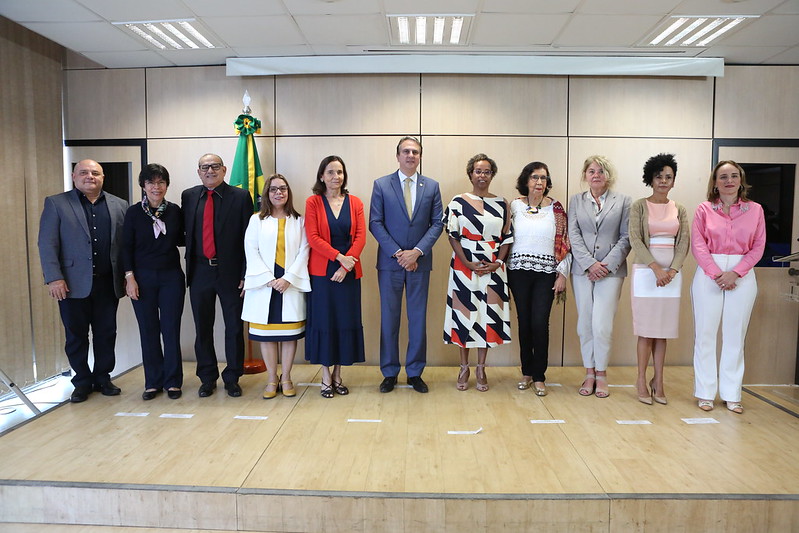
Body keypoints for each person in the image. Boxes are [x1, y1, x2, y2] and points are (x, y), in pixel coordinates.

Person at [37, 159, 129, 403]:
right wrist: (54, 278)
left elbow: (125, 245)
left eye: (95, 173)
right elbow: (47, 243)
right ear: (73, 176)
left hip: (108, 283)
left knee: (106, 333)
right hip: (71, 284)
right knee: (76, 336)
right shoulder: (56, 203)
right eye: (84, 172)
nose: (90, 176)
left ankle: (103, 377)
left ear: (103, 177)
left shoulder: (120, 205)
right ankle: (81, 381)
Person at [369, 136, 444, 393]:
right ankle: (389, 373)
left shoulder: (431, 186)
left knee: (417, 320)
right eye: (406, 151)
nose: (410, 155)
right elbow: (375, 223)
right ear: (398, 155)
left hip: (419, 264)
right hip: (391, 264)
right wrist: (400, 254)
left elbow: (437, 223)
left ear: (420, 156)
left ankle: (414, 373)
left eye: (415, 151)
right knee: (389, 320)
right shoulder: (381, 185)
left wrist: (417, 253)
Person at [691, 160, 765, 414]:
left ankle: (732, 394)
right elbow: (698, 245)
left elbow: (758, 246)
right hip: (709, 273)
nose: (729, 181)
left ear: (741, 181)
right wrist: (716, 273)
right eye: (723, 177)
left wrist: (736, 273)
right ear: (715, 182)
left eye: (734, 176)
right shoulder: (704, 209)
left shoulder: (755, 210)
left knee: (735, 335)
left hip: (741, 273)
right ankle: (705, 393)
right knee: (705, 334)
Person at [182, 154, 252, 398]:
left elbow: (248, 238)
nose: (209, 171)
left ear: (224, 170)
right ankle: (207, 377)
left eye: (214, 166)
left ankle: (232, 377)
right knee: (203, 327)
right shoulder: (189, 196)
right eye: (204, 167)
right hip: (199, 270)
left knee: (234, 327)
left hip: (231, 272)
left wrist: (246, 273)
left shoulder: (241, 197)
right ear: (198, 172)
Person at [443, 154, 512, 392]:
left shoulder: (503, 204)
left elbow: (507, 238)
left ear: (492, 175)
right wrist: (467, 263)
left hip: (493, 268)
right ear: (470, 174)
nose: (482, 175)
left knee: (487, 316)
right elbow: (452, 235)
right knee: (464, 315)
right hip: (464, 266)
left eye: (487, 171)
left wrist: (498, 262)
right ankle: (464, 366)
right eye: (478, 171)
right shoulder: (457, 202)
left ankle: (482, 367)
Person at [628, 154, 690, 405]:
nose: (663, 181)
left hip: (671, 276)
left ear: (673, 181)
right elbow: (635, 238)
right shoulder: (639, 206)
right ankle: (641, 380)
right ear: (650, 179)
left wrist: (672, 270)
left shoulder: (681, 209)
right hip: (646, 273)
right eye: (659, 176)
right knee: (646, 331)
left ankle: (659, 380)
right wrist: (655, 268)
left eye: (668, 177)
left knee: (662, 332)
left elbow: (683, 241)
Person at [568, 155, 631, 398]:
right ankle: (589, 373)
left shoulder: (624, 201)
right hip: (582, 270)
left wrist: (605, 265)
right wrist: (589, 264)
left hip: (611, 271)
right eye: (591, 171)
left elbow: (626, 237)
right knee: (585, 324)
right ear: (585, 175)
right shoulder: (576, 201)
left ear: (609, 175)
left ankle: (602, 373)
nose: (596, 175)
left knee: (602, 324)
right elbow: (573, 235)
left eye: (601, 171)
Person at [242, 175, 310, 400]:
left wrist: (288, 278)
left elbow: (305, 250)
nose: (278, 193)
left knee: (289, 335)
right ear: (266, 194)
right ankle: (272, 379)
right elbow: (251, 250)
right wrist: (269, 279)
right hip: (265, 285)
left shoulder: (299, 220)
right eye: (273, 189)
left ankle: (287, 377)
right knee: (268, 336)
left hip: (289, 283)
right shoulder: (256, 220)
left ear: (288, 192)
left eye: (282, 189)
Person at [121, 164, 186, 400]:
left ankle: (173, 381)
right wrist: (130, 278)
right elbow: (125, 248)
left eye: (160, 182)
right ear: (143, 186)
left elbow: (182, 239)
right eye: (151, 183)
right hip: (142, 279)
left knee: (170, 330)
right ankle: (152, 382)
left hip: (171, 278)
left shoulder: (176, 211)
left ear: (166, 185)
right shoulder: (134, 213)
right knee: (148, 330)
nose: (156, 187)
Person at [507, 161, 570, 397]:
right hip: (518, 271)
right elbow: (504, 237)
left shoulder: (556, 208)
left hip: (546, 273)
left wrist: (562, 273)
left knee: (539, 322)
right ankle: (526, 372)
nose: (539, 182)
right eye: (534, 177)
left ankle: (540, 376)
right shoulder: (514, 206)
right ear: (526, 181)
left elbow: (565, 243)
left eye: (543, 178)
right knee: (524, 322)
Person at [305, 156, 366, 398]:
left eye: (339, 172)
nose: (335, 177)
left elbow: (361, 236)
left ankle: (339, 375)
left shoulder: (356, 202)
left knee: (344, 322)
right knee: (324, 322)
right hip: (322, 273)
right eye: (330, 172)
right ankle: (325, 376)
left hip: (349, 273)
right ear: (322, 176)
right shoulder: (313, 203)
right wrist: (339, 258)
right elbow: (313, 237)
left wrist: (346, 265)